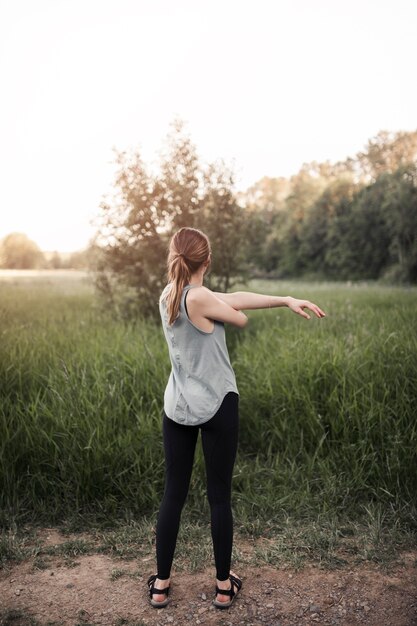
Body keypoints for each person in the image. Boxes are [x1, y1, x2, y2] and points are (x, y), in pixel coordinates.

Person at [147, 226, 326, 610]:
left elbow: (230, 298)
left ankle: (161, 586)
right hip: (216, 405)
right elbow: (238, 315)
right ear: (206, 262)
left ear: (174, 260)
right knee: (219, 498)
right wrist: (243, 311)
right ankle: (224, 588)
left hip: (177, 407)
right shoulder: (201, 299)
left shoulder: (169, 294)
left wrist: (284, 298)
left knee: (173, 495)